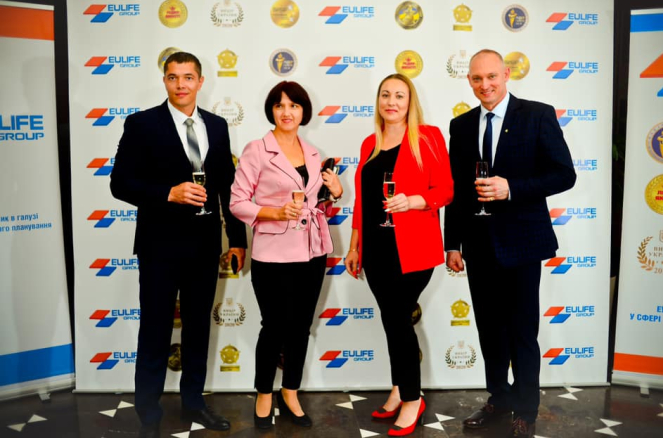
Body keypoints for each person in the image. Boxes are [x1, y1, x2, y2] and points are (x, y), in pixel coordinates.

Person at [110, 52, 247, 438]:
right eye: (173, 77)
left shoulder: (217, 126)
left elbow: (228, 188)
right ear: (165, 81)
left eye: (188, 77)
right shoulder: (141, 124)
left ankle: (194, 402)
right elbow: (120, 183)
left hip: (204, 246)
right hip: (159, 246)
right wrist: (167, 193)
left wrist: (237, 240)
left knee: (198, 329)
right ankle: (148, 414)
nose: (181, 84)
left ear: (201, 82)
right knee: (155, 329)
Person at [444, 49, 576, 438]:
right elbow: (456, 190)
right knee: (489, 330)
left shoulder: (537, 115)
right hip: (478, 244)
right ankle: (499, 399)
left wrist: (511, 188)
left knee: (521, 331)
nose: (485, 85)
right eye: (477, 78)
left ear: (505, 75)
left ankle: (526, 409)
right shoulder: (461, 125)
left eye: (491, 76)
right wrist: (452, 243)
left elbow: (564, 174)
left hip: (522, 243)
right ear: (469, 80)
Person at [344, 73, 454, 437]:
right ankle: (399, 387)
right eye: (385, 95)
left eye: (399, 96)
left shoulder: (428, 137)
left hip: (414, 249)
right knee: (392, 321)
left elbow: (446, 190)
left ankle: (411, 399)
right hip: (376, 249)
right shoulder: (369, 143)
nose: (391, 102)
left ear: (410, 102)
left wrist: (415, 201)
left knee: (397, 319)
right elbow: (362, 202)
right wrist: (354, 246)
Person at [229, 81, 343, 429]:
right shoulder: (256, 150)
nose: (287, 112)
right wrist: (274, 212)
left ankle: (290, 391)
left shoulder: (313, 153)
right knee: (274, 326)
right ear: (271, 111)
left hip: (311, 252)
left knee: (300, 327)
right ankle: (264, 393)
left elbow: (316, 204)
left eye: (294, 105)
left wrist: (335, 193)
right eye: (279, 106)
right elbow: (237, 202)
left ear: (303, 111)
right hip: (272, 254)